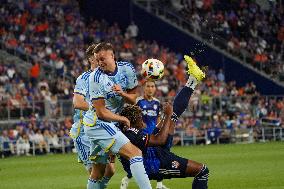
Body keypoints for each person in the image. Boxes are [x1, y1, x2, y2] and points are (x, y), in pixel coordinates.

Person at [119, 55, 209, 189]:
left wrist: (165, 119)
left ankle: (193, 79)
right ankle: (193, 80)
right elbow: (160, 140)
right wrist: (166, 117)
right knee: (202, 171)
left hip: (152, 140)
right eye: (139, 117)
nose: (142, 118)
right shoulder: (134, 125)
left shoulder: (154, 103)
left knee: (173, 114)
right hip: (154, 160)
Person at [86, 42, 152, 189]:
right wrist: (123, 118)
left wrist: (122, 93)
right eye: (97, 60)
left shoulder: (127, 69)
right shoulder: (95, 78)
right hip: (99, 124)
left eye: (102, 58)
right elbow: (101, 112)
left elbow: (134, 97)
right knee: (135, 154)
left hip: (106, 124)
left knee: (98, 171)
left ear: (112, 55)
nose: (100, 63)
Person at [70, 43, 115, 188]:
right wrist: (98, 108)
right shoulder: (84, 78)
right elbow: (77, 103)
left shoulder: (106, 77)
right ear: (91, 59)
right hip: (83, 131)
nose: (102, 59)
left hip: (101, 128)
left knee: (110, 170)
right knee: (96, 172)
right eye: (98, 57)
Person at [121, 80, 170, 189]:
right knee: (140, 160)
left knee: (157, 158)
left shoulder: (157, 103)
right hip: (140, 136)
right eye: (148, 86)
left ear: (155, 88)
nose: (150, 88)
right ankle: (127, 177)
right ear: (144, 88)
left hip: (153, 135)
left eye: (152, 86)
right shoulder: (138, 101)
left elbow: (157, 119)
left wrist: (159, 130)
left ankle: (159, 184)